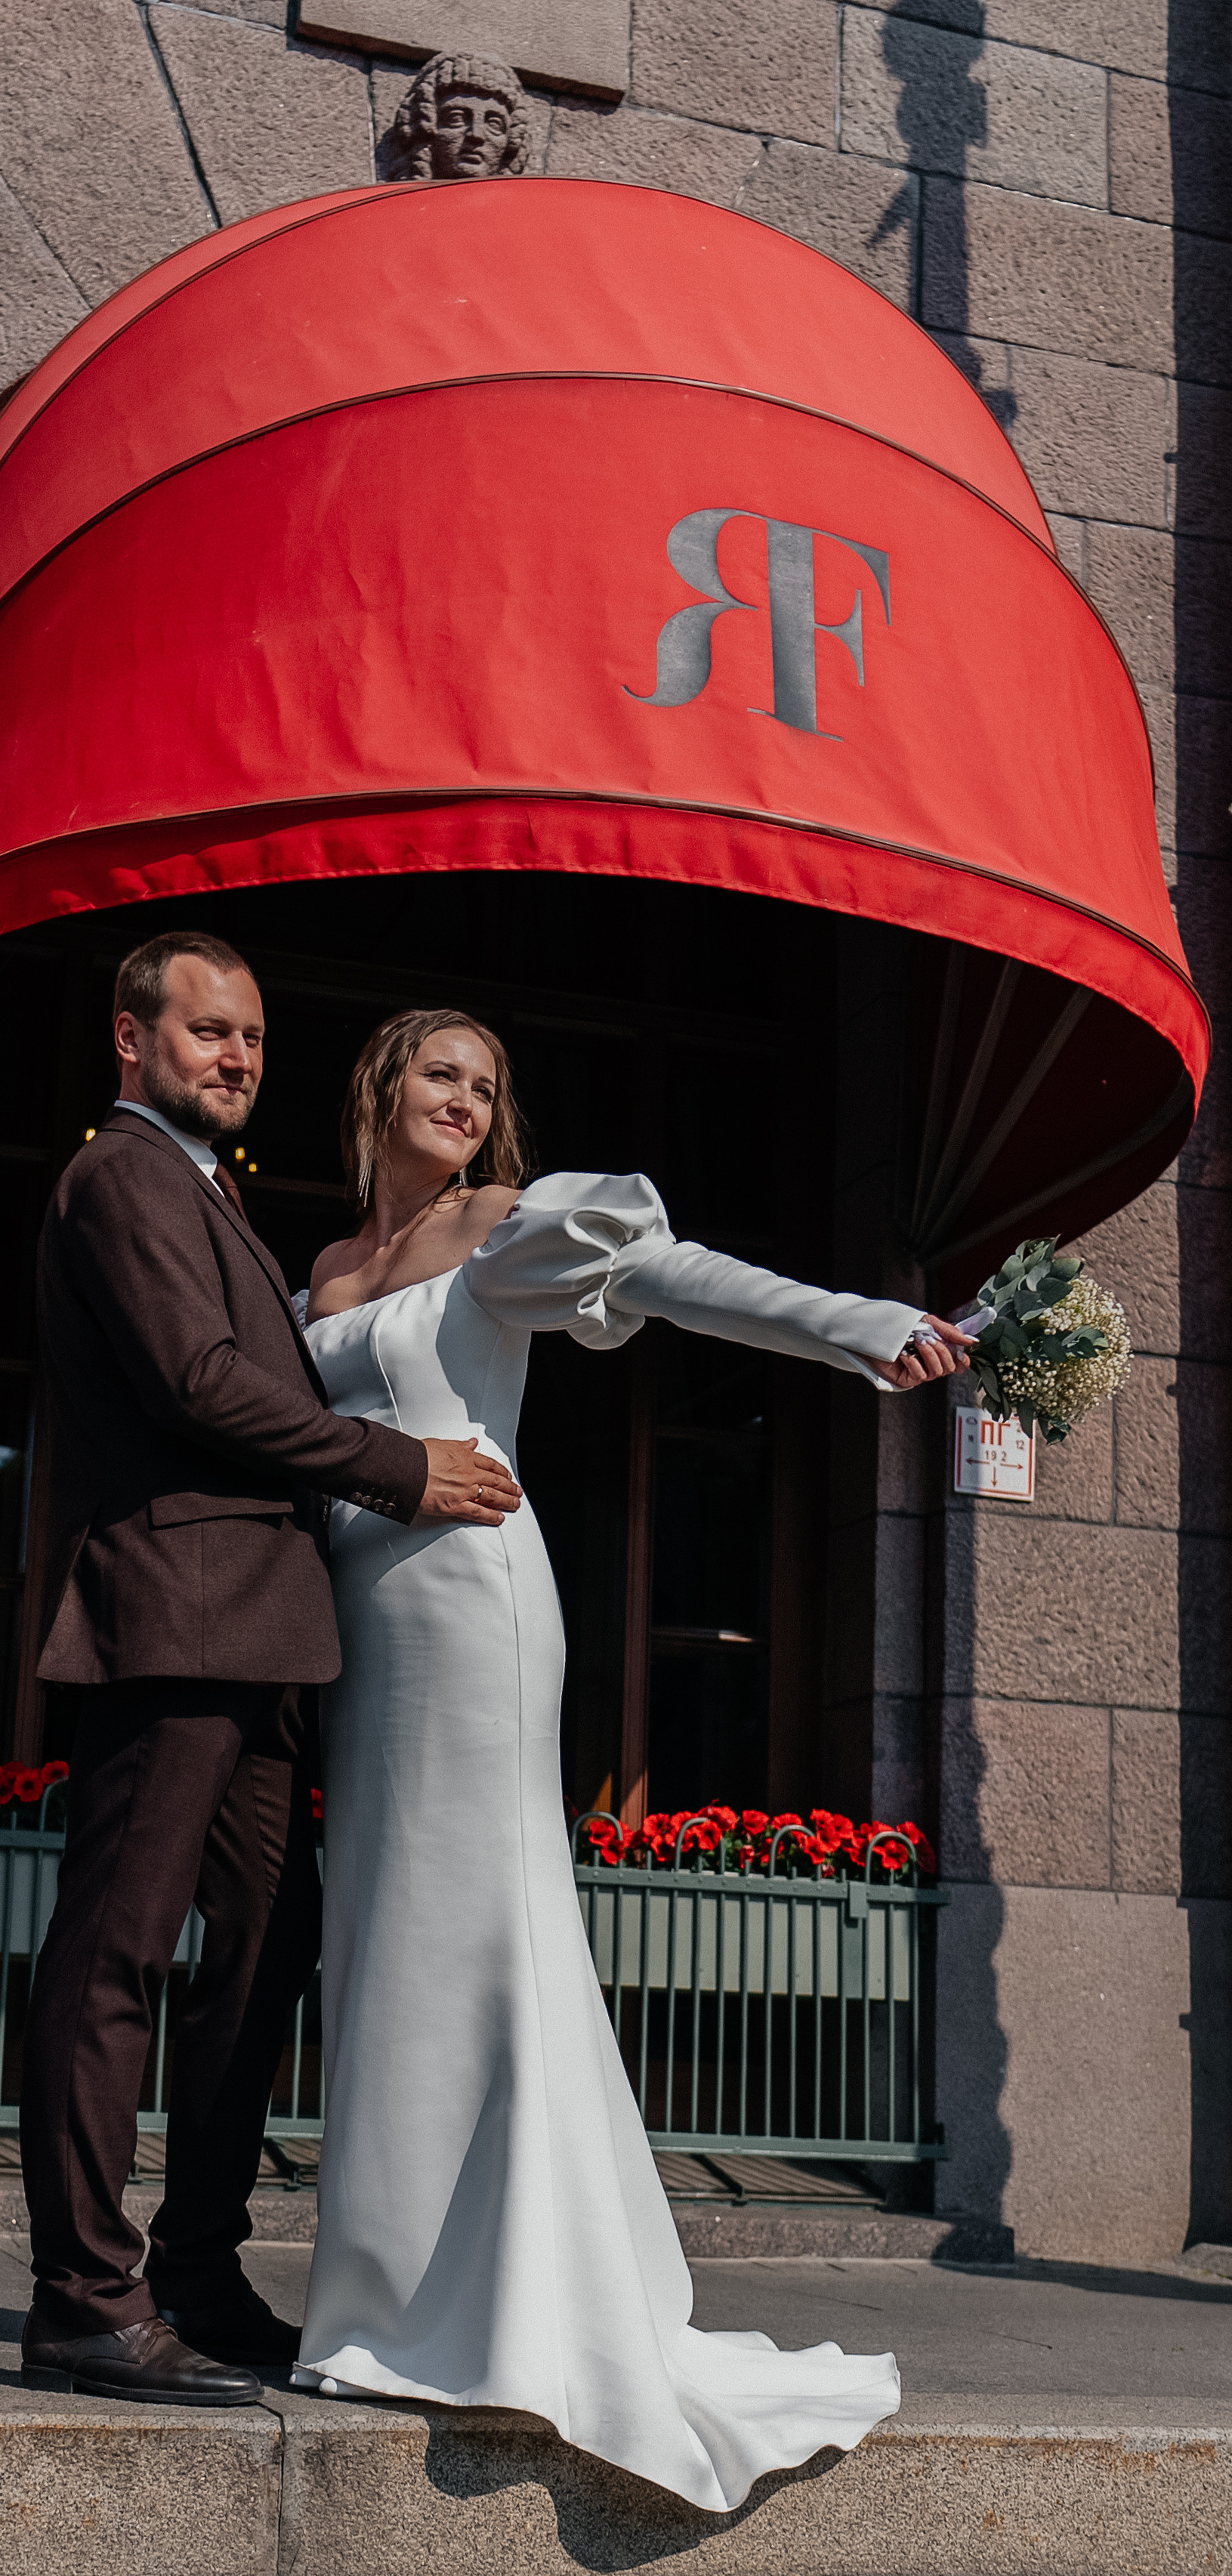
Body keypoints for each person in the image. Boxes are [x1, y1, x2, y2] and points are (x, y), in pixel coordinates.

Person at [289, 1007, 974, 2509]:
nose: (464, 1100)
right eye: (437, 1073)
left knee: (479, 1939)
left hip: (472, 1607)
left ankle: (509, 2312)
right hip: (358, 1633)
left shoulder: (502, 1228)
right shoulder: (324, 1272)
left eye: (486, 1082)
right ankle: (380, 2307)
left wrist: (853, 1322)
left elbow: (669, 1279)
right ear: (378, 1088)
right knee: (383, 1948)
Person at [17, 935, 523, 2408]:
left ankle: (191, 2265)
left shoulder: (202, 1187)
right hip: (169, 1620)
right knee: (113, 1956)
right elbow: (196, 1381)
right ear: (131, 1039)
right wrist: (394, 1468)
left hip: (261, 1639)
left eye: (247, 1036)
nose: (232, 1055)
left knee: (260, 1951)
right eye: (203, 1031)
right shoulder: (117, 1177)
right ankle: (80, 2299)